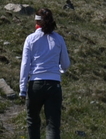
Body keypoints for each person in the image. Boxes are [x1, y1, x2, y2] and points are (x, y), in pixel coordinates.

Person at [19, 7, 71, 139]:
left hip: (35, 84)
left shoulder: (30, 39)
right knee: (53, 124)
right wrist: (59, 70)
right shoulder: (59, 39)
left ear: (37, 22)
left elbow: (25, 65)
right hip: (54, 85)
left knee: (33, 120)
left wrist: (22, 89)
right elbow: (66, 64)